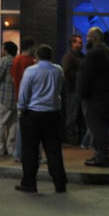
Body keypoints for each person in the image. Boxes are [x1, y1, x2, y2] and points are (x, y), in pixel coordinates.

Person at [15, 44, 68, 194]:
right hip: (52, 114)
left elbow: (24, 93)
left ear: (37, 56)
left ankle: (29, 183)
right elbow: (59, 89)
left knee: (30, 151)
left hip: (33, 113)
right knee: (53, 150)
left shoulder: (31, 71)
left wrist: (21, 109)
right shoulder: (58, 70)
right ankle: (60, 184)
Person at [79, 26, 109, 167]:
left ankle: (102, 156)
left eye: (88, 37)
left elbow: (86, 77)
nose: (86, 40)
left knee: (96, 127)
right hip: (108, 95)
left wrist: (82, 95)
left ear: (94, 38)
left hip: (95, 97)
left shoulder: (93, 54)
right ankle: (100, 155)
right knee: (102, 127)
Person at [9, 38, 37, 163]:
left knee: (21, 127)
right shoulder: (31, 62)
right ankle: (34, 154)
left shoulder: (16, 60)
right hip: (31, 98)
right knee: (34, 128)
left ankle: (18, 153)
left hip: (18, 96)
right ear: (31, 47)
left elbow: (13, 78)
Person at [60, 34, 85, 145]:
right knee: (72, 114)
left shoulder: (82, 56)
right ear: (72, 44)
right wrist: (80, 75)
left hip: (80, 89)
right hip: (72, 89)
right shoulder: (68, 57)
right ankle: (71, 138)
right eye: (79, 42)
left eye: (81, 42)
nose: (81, 44)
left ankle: (80, 137)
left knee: (81, 115)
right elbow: (65, 73)